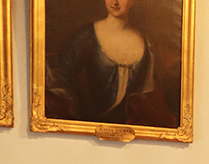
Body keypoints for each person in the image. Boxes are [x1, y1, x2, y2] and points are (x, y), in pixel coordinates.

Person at [45, 0, 177, 127]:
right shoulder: (86, 36)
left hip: (132, 132)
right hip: (87, 127)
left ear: (132, 1)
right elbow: (57, 72)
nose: (115, 2)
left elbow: (151, 95)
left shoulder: (147, 44)